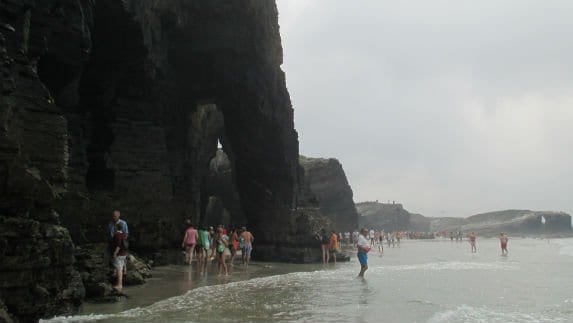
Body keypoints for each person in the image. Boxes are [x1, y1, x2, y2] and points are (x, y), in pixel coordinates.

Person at [112, 222, 128, 291]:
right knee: (119, 268)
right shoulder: (123, 234)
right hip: (124, 253)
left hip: (119, 254)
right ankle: (118, 283)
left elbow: (118, 245)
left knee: (119, 269)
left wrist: (115, 253)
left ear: (116, 227)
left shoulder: (117, 235)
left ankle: (119, 285)